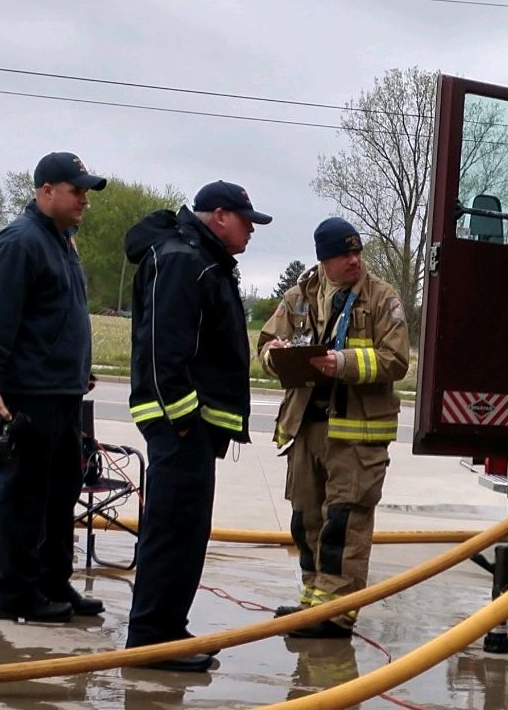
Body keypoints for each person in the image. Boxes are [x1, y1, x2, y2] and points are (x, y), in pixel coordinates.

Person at [123, 181, 268, 672]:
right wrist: (185, 421)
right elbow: (167, 349)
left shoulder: (200, 257)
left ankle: (168, 629)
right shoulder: (185, 260)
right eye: (247, 220)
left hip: (193, 430)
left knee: (185, 532)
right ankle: (150, 640)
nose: (252, 230)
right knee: (171, 531)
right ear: (220, 215)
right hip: (180, 428)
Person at [0, 151, 107, 624]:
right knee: (24, 495)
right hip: (28, 395)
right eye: (77, 192)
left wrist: (78, 369)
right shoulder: (20, 242)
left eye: (86, 193)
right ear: (46, 190)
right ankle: (15, 594)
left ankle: (52, 583)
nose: (83, 202)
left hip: (63, 393)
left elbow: (57, 317)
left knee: (59, 494)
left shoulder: (62, 242)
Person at [259, 218, 410, 638]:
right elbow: (265, 344)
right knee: (305, 519)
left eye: (358, 252)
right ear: (323, 259)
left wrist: (342, 363)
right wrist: (277, 355)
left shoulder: (382, 298)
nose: (354, 261)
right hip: (307, 426)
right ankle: (313, 600)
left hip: (356, 433)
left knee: (343, 522)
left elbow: (396, 360)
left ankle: (337, 612)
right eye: (345, 254)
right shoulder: (299, 297)